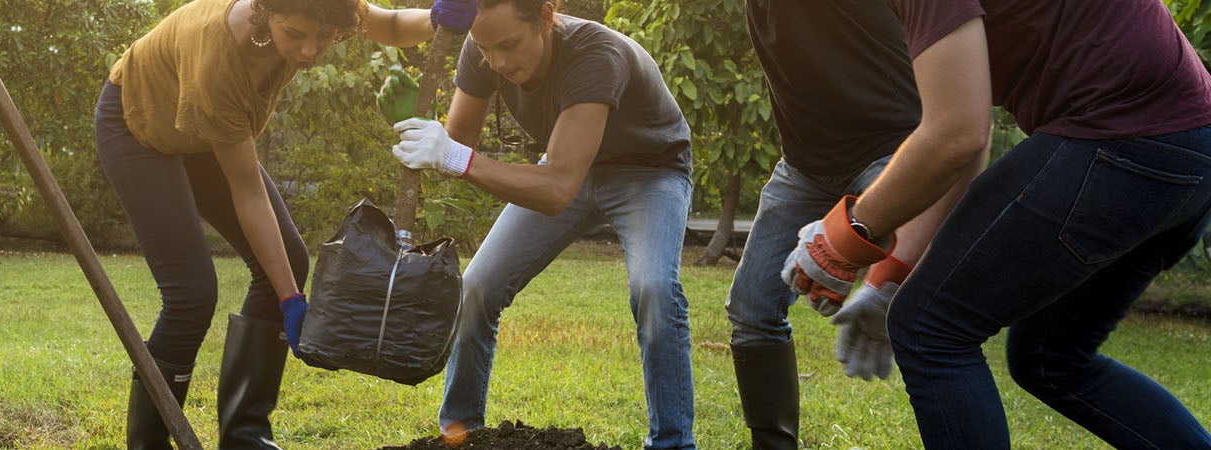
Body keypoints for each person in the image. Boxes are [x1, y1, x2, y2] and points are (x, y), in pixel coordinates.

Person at [783, 0, 1211, 447]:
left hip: (1127, 135)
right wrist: (888, 278)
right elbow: (966, 138)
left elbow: (955, 135)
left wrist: (845, 237)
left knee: (929, 329)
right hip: (1191, 145)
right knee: (1050, 358)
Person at [93, 0, 476, 447]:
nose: (310, 52)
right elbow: (247, 192)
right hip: (138, 126)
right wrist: (290, 299)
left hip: (202, 133)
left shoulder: (325, 9)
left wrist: (436, 17)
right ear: (265, 12)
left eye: (323, 38)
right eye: (295, 35)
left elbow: (388, 23)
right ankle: (149, 444)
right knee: (191, 293)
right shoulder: (219, 57)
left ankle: (245, 435)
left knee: (288, 261)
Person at [383, 0, 697, 447]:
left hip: (648, 170)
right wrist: (411, 122)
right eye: (486, 48)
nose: (499, 62)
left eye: (509, 45)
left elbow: (554, 190)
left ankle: (673, 442)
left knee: (654, 290)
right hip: (565, 166)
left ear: (545, 18)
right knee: (475, 288)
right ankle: (459, 434)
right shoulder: (483, 47)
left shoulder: (595, 53)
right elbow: (456, 144)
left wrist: (455, 157)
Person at [727, 0, 978, 447]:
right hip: (803, 170)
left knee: (923, 314)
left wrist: (887, 279)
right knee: (751, 309)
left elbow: (963, 136)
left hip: (891, 152)